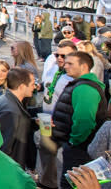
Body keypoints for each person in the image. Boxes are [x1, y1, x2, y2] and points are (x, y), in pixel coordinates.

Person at [51, 51, 107, 189]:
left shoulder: (85, 88)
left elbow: (84, 121)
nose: (65, 66)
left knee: (71, 184)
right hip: (78, 146)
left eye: (70, 63)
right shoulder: (81, 85)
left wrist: (73, 141)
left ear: (84, 67)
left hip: (80, 149)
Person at [37, 40, 77, 189]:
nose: (59, 58)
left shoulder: (74, 77)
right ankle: (45, 182)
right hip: (46, 118)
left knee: (59, 157)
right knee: (45, 151)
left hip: (61, 123)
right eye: (57, 54)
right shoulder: (53, 68)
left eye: (64, 55)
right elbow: (47, 86)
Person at [0, 67, 37, 170]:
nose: (34, 87)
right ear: (21, 87)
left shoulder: (5, 100)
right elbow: (5, 148)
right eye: (32, 84)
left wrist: (34, 123)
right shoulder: (12, 112)